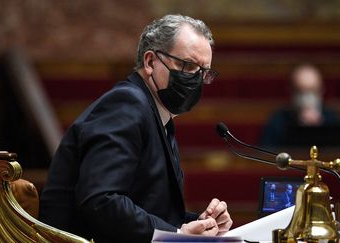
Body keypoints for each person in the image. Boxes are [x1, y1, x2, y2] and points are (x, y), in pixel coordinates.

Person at [39, 14, 232, 243]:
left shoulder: (159, 116)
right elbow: (100, 200)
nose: (196, 80)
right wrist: (176, 236)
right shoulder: (126, 104)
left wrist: (200, 224)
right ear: (150, 62)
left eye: (204, 73)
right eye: (188, 66)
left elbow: (151, 208)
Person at [259, 63, 340, 149]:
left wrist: (320, 128)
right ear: (290, 91)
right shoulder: (278, 120)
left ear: (322, 90)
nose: (307, 97)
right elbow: (267, 155)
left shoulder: (332, 118)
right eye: (300, 91)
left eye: (313, 90)